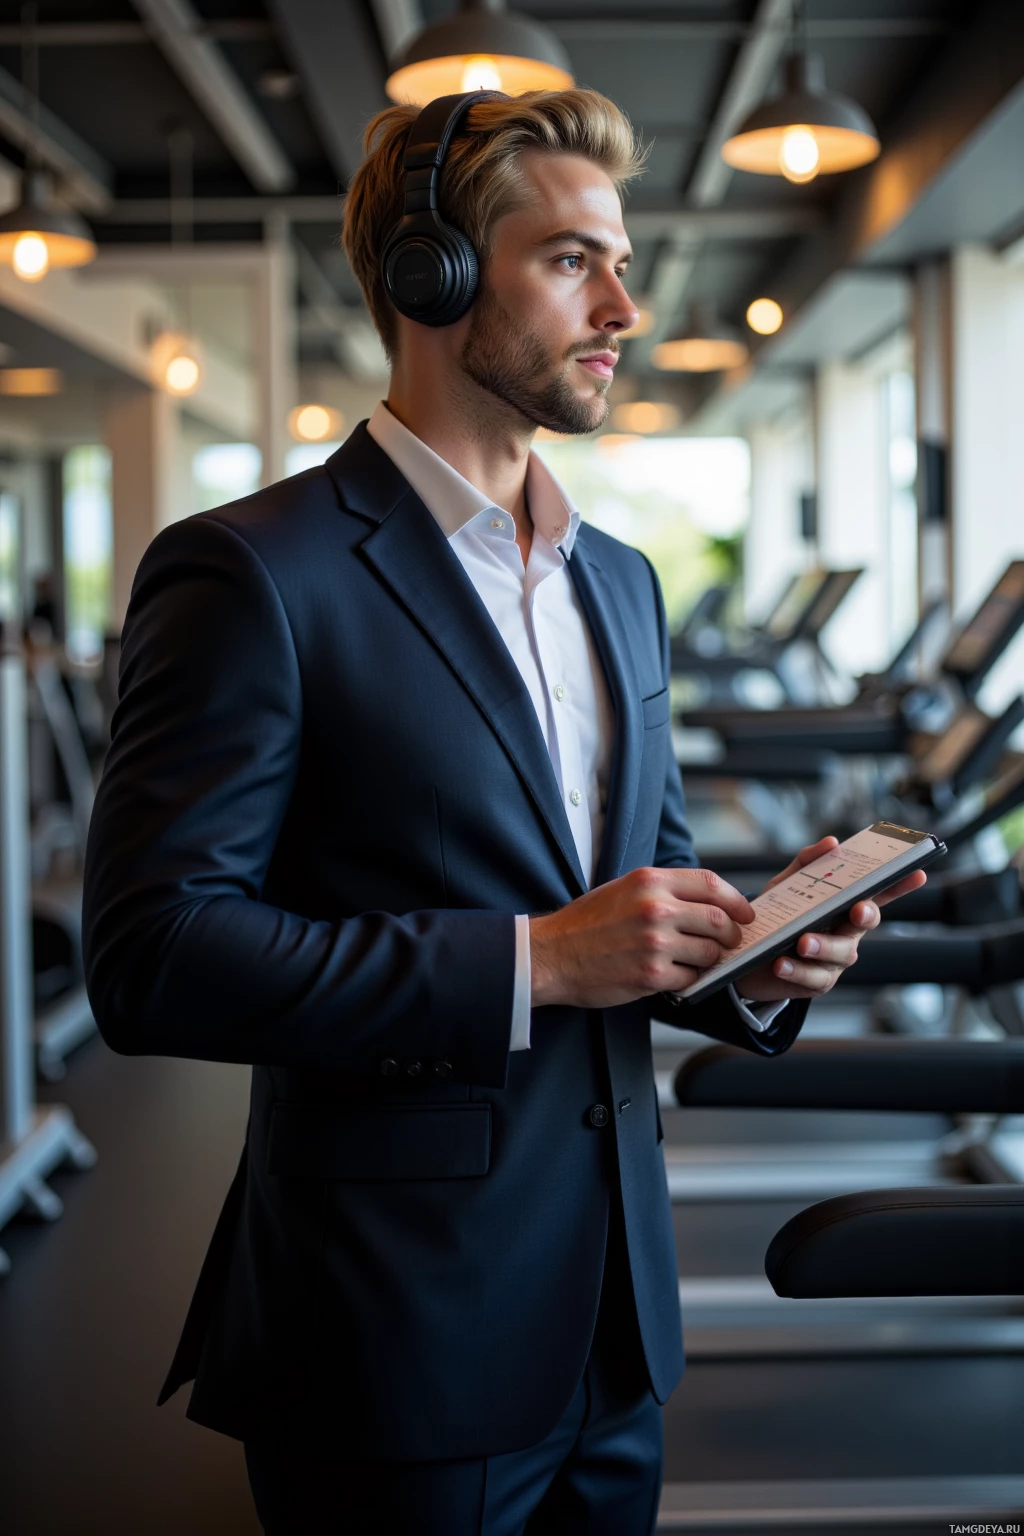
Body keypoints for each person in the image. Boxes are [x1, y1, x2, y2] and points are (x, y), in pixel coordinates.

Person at [82, 88, 924, 1535]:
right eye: (572, 261)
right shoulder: (253, 572)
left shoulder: (621, 584)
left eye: (622, 260)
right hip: (397, 1332)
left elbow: (633, 892)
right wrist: (533, 960)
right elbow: (153, 953)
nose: (625, 306)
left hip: (616, 1328)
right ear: (436, 278)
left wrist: (749, 957)